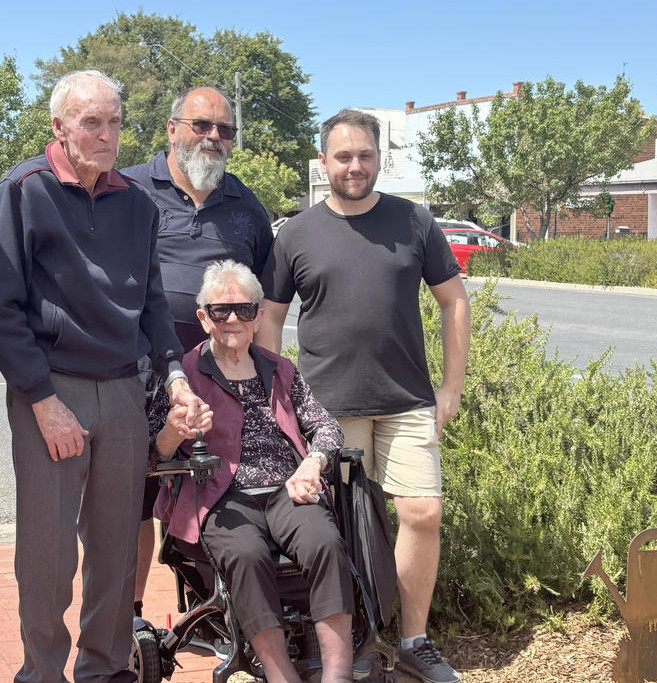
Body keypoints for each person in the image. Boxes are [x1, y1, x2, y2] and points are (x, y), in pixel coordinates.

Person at [0, 69, 206, 683]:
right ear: (59, 126)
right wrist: (42, 401)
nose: (106, 135)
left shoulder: (135, 200)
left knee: (114, 550)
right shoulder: (25, 189)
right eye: (90, 122)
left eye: (114, 121)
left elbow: (153, 305)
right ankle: (42, 671)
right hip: (53, 390)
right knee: (48, 554)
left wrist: (176, 379)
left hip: (124, 392)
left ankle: (105, 670)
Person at [258, 109, 471, 683]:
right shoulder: (296, 234)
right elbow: (270, 322)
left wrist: (451, 387)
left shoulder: (415, 221)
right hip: (329, 409)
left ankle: (413, 641)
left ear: (380, 159)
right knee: (345, 530)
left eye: (366, 156)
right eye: (343, 156)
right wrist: (280, 401)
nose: (355, 166)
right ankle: (353, 641)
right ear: (324, 162)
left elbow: (455, 301)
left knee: (421, 512)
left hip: (407, 400)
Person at [150, 260, 353, 683]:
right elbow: (154, 453)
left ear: (259, 317)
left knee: (325, 541)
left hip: (286, 487)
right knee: (246, 554)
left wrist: (313, 463)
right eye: (220, 311)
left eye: (244, 310)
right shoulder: (182, 376)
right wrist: (173, 430)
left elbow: (325, 426)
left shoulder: (280, 369)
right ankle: (282, 676)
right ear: (203, 318)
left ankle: (338, 674)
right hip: (219, 496)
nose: (233, 320)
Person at [122, 85, 273, 621]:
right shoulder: (131, 189)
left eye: (224, 130)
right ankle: (130, 620)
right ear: (171, 128)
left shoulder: (244, 205)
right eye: (201, 126)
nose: (213, 137)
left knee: (216, 491)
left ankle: (216, 615)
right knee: (136, 500)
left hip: (216, 384)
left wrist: (267, 382)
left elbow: (265, 299)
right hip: (140, 380)